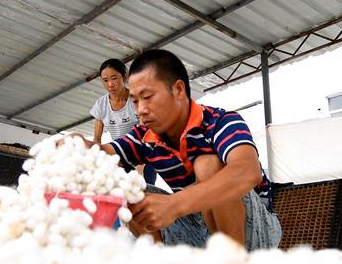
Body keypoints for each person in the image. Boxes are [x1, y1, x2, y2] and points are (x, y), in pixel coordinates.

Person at [92, 50, 281, 251]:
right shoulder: (144, 136)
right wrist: (78, 147)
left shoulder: (219, 122)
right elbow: (103, 153)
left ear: (179, 90)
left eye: (147, 97)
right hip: (194, 227)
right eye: (136, 101)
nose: (140, 110)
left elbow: (247, 170)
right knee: (125, 188)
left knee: (207, 164)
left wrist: (174, 205)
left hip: (254, 232)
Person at [89, 59, 154, 184]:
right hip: (119, 155)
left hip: (142, 154)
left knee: (144, 190)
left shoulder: (136, 100)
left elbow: (145, 133)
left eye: (114, 78)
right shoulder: (101, 104)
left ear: (125, 77)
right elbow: (97, 139)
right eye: (105, 80)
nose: (110, 84)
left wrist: (142, 164)